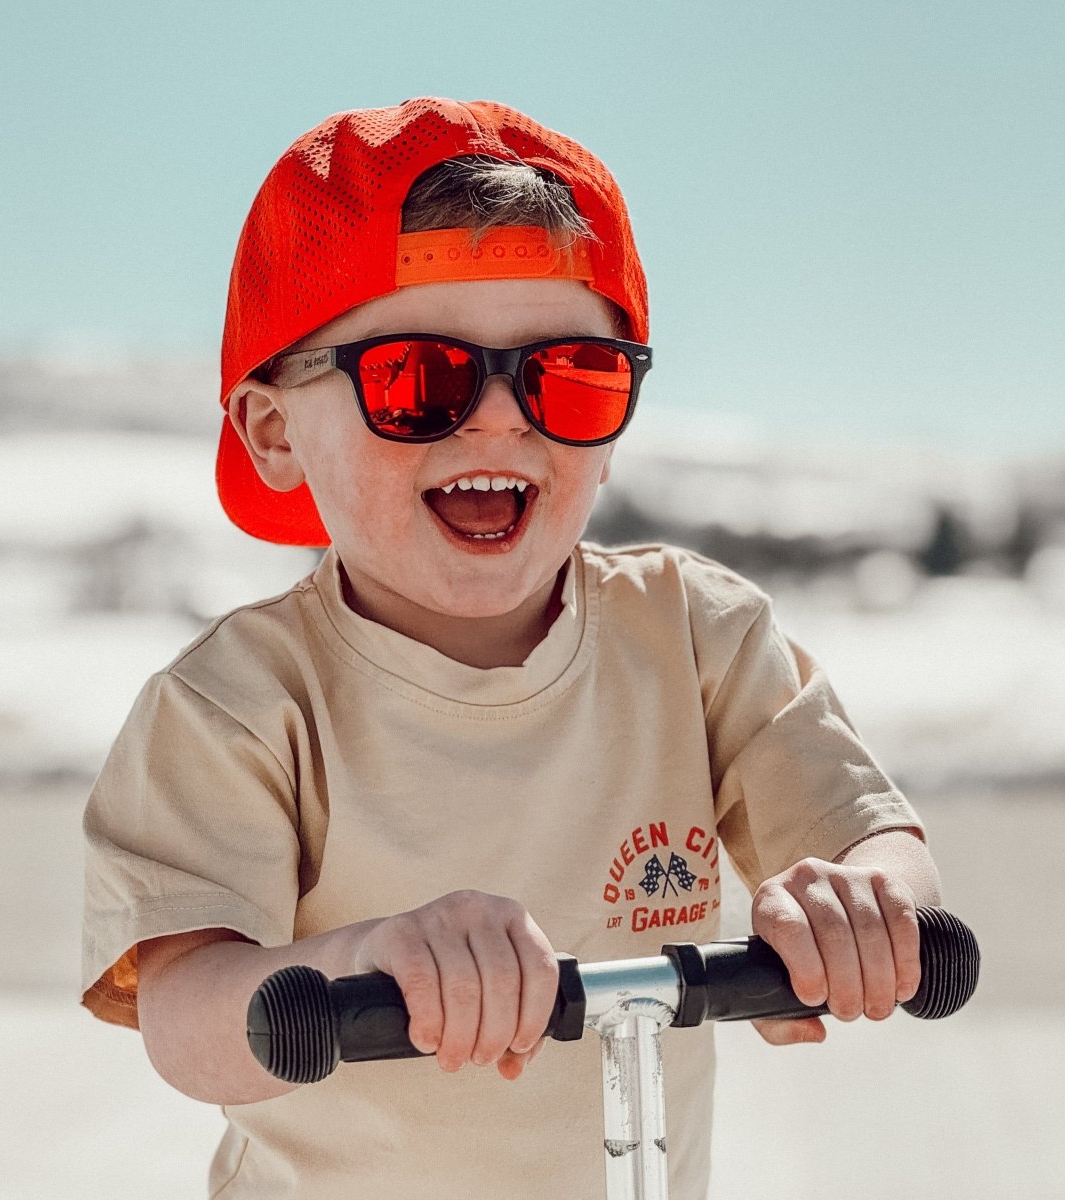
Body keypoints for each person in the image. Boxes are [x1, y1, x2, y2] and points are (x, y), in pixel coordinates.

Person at [81, 97, 941, 1199]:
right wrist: (362, 960)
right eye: (415, 381)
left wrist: (864, 902)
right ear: (274, 429)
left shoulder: (697, 640)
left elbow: (877, 838)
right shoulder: (241, 706)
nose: (498, 421)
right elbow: (188, 1014)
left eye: (568, 376)